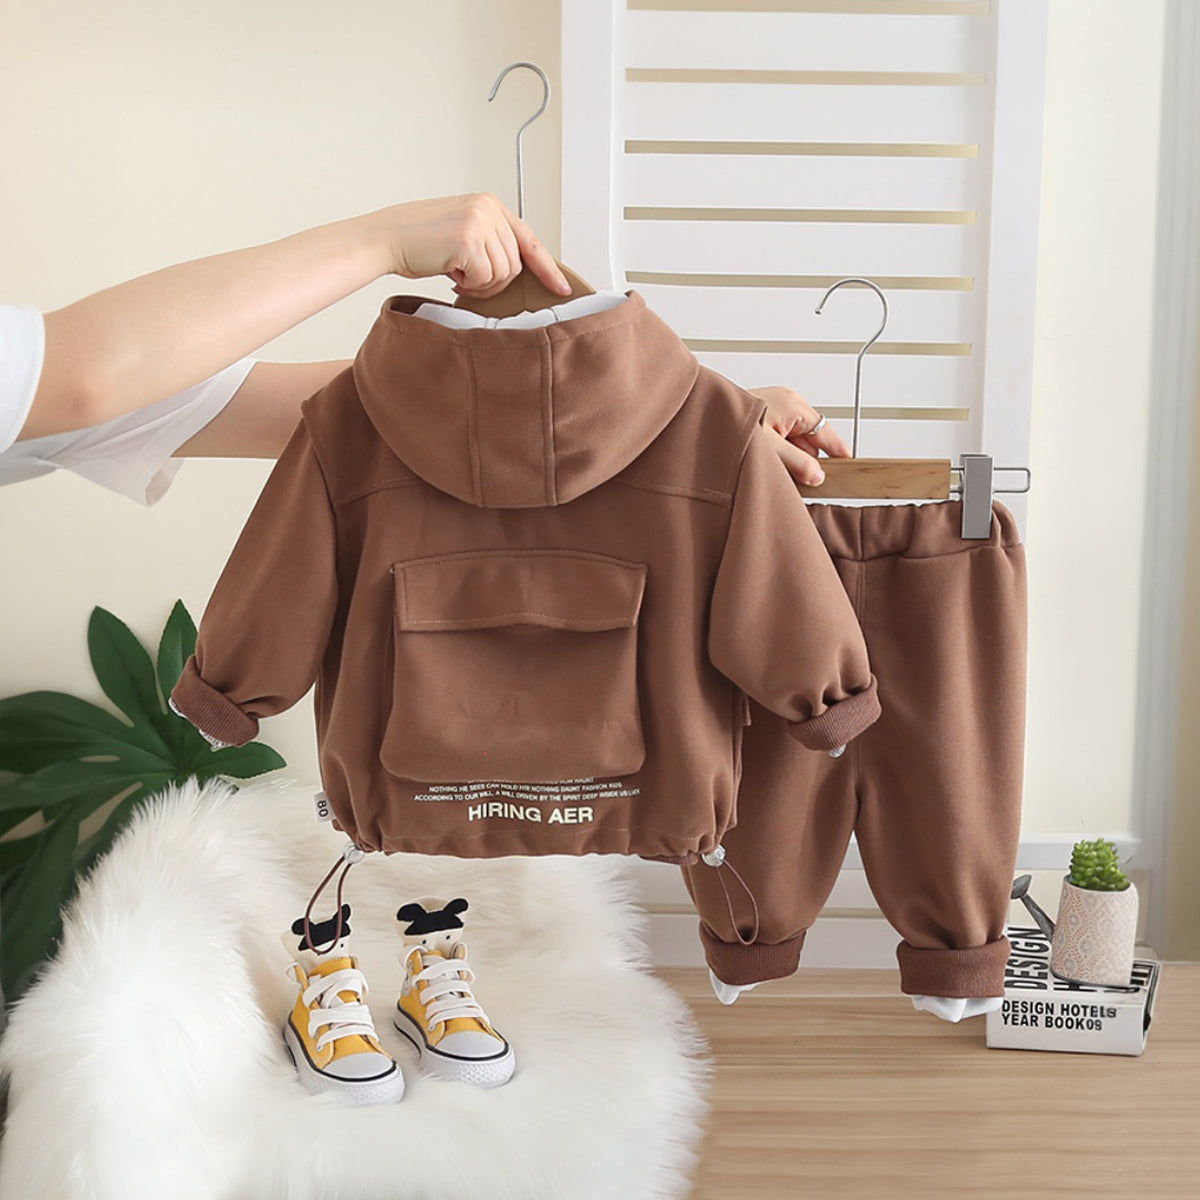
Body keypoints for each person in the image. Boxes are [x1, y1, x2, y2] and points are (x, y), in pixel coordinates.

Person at [0, 189, 848, 1069]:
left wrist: (691, 416)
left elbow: (208, 417)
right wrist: (692, 425)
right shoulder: (342, 423)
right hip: (646, 795)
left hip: (408, 790)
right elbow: (94, 381)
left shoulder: (347, 424)